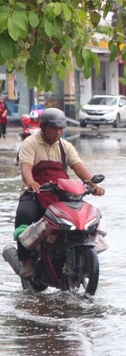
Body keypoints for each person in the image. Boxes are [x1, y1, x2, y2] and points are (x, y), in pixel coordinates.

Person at [15, 108, 105, 277]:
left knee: (84, 216)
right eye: (54, 128)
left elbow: (78, 166)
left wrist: (93, 186)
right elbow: (25, 167)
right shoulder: (30, 143)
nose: (58, 132)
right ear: (43, 127)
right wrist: (31, 182)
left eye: (61, 128)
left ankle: (85, 249)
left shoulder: (65, 146)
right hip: (34, 193)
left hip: (59, 194)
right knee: (24, 214)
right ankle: (25, 260)